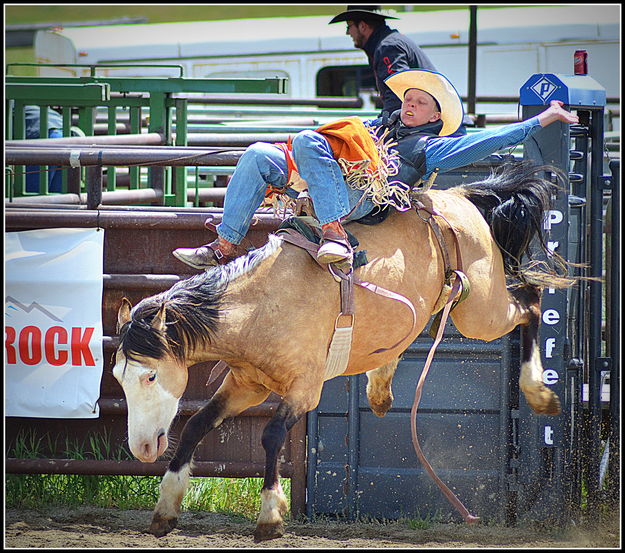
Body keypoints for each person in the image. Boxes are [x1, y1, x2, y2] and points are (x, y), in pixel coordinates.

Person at [173, 69, 578, 270]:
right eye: (409, 98)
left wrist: (539, 121)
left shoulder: (431, 149)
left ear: (437, 115)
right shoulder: (378, 127)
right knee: (259, 153)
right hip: (331, 184)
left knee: (307, 138)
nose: (410, 104)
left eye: (420, 102)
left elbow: (487, 142)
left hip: (365, 199)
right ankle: (224, 248)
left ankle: (333, 232)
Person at [329, 5, 437, 117]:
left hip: (425, 121)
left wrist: (383, 123)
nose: (348, 32)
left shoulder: (388, 47)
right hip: (427, 117)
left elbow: (398, 93)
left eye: (349, 26)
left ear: (362, 26)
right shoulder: (388, 42)